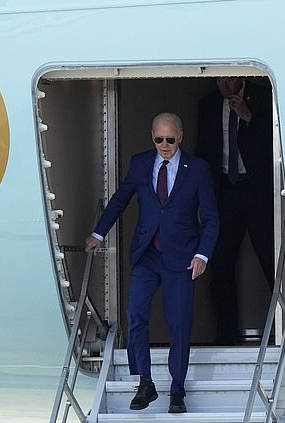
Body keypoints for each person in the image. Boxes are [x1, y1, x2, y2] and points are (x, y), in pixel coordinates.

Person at [85, 112, 219, 413]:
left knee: (179, 323)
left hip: (182, 257)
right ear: (152, 136)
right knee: (135, 315)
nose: (164, 145)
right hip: (147, 254)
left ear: (180, 137)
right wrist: (98, 232)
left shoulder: (197, 169)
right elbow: (120, 200)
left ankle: (177, 389)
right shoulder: (141, 163)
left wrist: (202, 254)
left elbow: (211, 218)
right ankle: (144, 382)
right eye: (159, 139)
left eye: (170, 139)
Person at [196, 77, 274, 346]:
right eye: (218, 79)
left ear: (240, 75)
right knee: (221, 264)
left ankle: (284, 327)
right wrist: (201, 201)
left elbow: (275, 144)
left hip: (257, 192)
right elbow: (203, 152)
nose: (224, 85)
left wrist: (249, 117)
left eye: (229, 78)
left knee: (270, 259)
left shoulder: (264, 97)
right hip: (224, 193)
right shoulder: (208, 105)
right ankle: (226, 335)